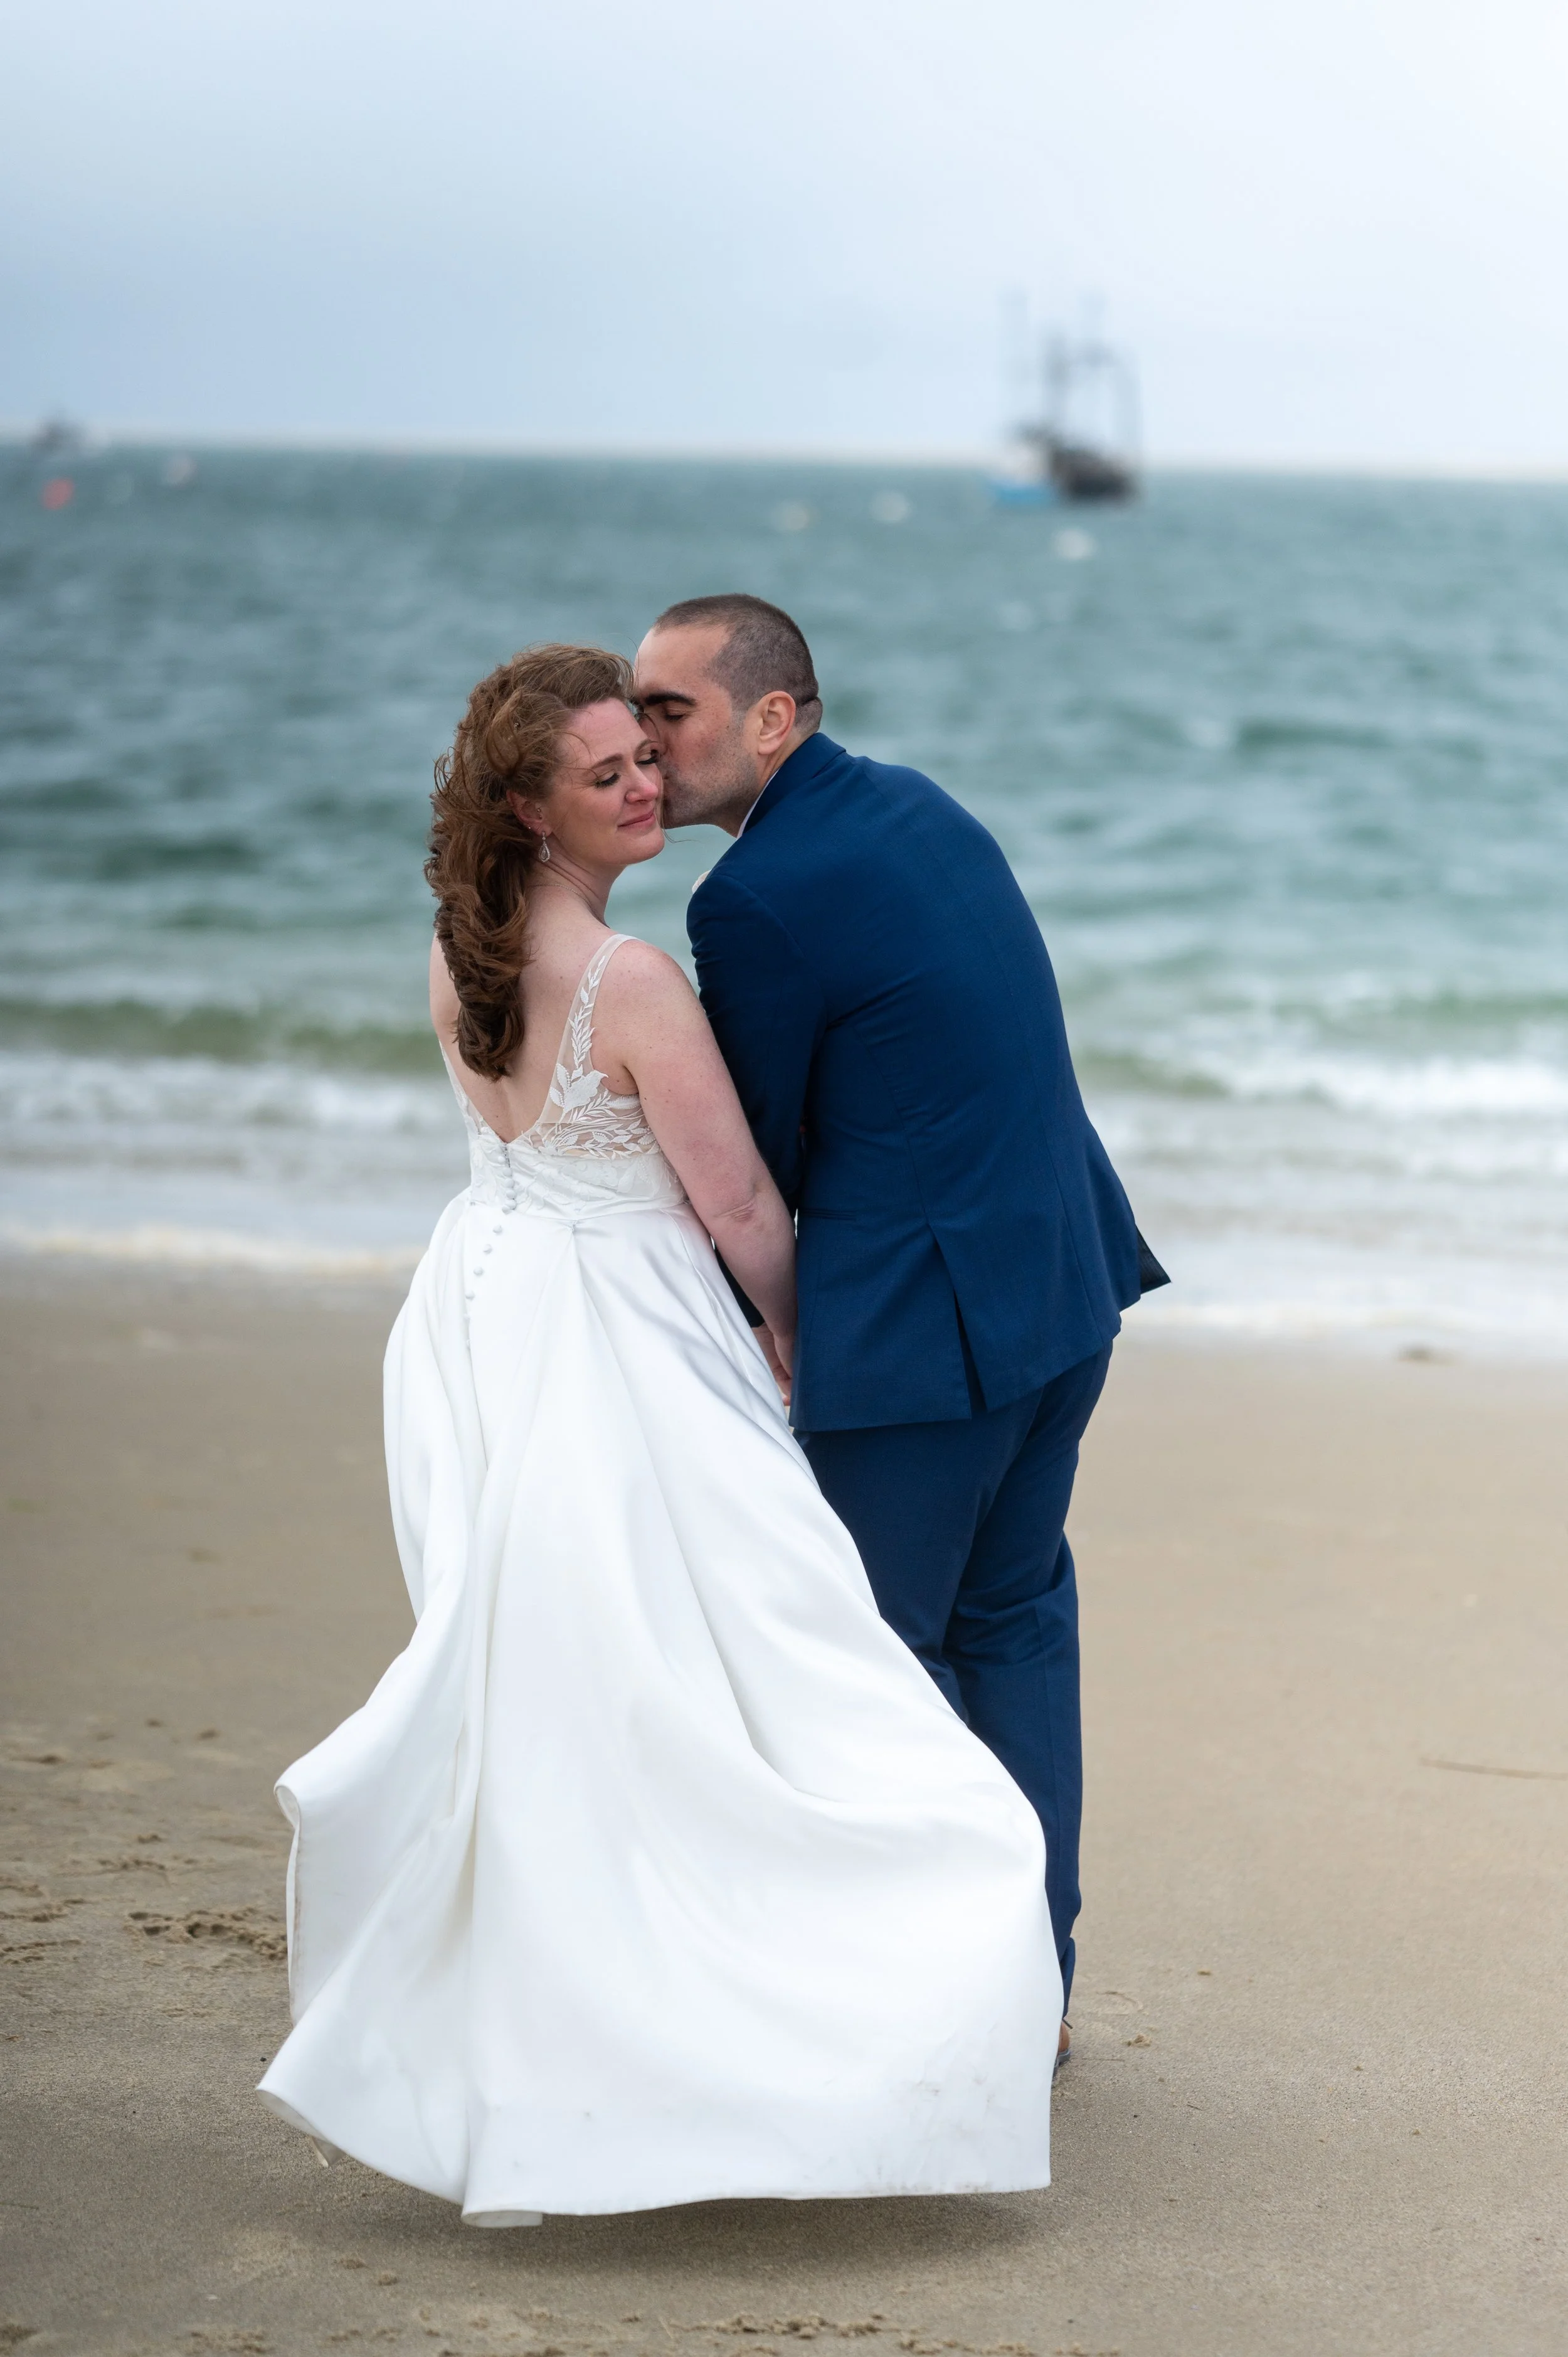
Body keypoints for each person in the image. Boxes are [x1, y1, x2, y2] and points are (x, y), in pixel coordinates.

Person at [258, 643, 1061, 2226]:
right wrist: (786, 1327)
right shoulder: (633, 980)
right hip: (620, 1332)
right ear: (526, 806)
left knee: (558, 1666)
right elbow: (740, 1201)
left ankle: (553, 1997)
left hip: (484, 1314)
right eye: (608, 771)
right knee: (754, 1657)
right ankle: (822, 1994)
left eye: (648, 752)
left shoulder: (456, 943)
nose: (644, 785)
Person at [633, 595, 1157, 2050]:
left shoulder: (748, 899)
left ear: (772, 718)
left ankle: (934, 2012)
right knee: (1013, 1632)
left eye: (672, 711)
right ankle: (1028, 1990)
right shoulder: (914, 804)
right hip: (1059, 1288)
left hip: (933, 1344)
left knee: (874, 1670)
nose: (642, 739)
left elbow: (757, 1154)